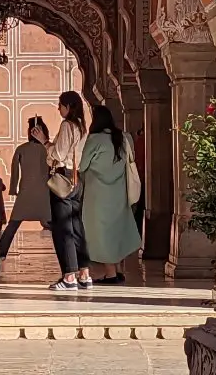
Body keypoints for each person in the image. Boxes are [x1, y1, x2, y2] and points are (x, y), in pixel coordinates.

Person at [31, 91, 91, 291]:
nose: (58, 108)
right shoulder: (83, 127)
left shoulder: (67, 125)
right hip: (77, 178)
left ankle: (69, 277)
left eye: (60, 105)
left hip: (62, 178)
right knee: (76, 226)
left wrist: (44, 141)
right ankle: (84, 273)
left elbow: (58, 153)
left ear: (68, 106)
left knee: (63, 228)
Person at [80, 105, 141, 284]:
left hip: (97, 196)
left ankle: (111, 273)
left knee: (101, 234)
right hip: (119, 193)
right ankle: (117, 270)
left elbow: (82, 166)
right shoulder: (123, 138)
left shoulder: (95, 139)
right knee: (115, 231)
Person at [0, 117, 52, 273]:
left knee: (12, 226)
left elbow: (15, 170)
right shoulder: (49, 149)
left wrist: (13, 189)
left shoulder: (22, 149)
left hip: (25, 193)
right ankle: (72, 263)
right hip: (45, 193)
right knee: (57, 227)